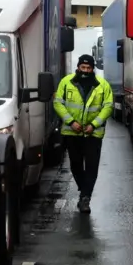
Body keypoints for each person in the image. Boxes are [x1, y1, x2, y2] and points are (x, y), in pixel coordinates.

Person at [53, 54, 114, 213]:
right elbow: (58, 103)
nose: (85, 71)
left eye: (88, 68)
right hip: (72, 133)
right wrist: (71, 122)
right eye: (83, 67)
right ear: (78, 67)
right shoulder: (66, 82)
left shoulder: (103, 85)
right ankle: (84, 188)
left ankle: (85, 198)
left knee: (92, 167)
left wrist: (94, 125)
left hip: (93, 134)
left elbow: (108, 106)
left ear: (93, 69)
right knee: (75, 165)